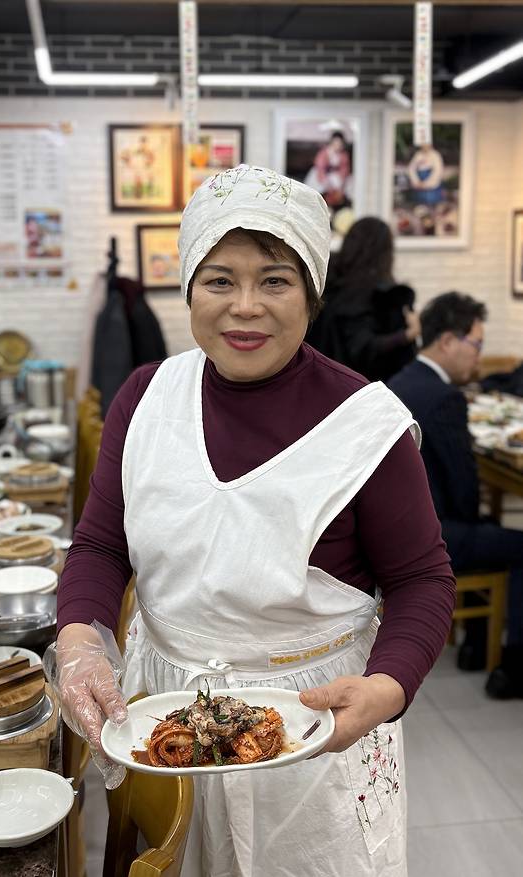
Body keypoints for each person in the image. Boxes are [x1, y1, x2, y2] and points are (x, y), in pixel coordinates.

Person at [54, 164, 454, 876]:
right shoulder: (146, 398)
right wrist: (81, 636)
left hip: (313, 725)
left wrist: (387, 686)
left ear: (311, 293)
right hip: (167, 711)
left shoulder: (367, 426)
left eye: (275, 280)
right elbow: (101, 544)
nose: (245, 307)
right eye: (219, 280)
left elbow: (422, 579)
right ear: (188, 288)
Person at [388, 292, 523, 697]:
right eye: (476, 345)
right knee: (512, 542)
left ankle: (475, 647)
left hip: (398, 526)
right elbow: (464, 488)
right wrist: (476, 524)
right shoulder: (444, 397)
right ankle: (512, 667)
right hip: (433, 534)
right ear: (447, 341)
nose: (478, 357)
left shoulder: (400, 380)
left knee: (489, 528)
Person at [307, 217, 421, 381]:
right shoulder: (380, 296)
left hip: (319, 377)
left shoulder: (323, 283)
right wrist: (408, 334)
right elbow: (363, 347)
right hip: (360, 386)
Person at [304, 130, 352, 211]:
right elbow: (320, 168)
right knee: (319, 191)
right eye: (335, 142)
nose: (337, 145)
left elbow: (344, 169)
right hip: (323, 176)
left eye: (340, 143)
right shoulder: (324, 152)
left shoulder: (343, 155)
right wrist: (325, 181)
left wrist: (340, 180)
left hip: (336, 177)